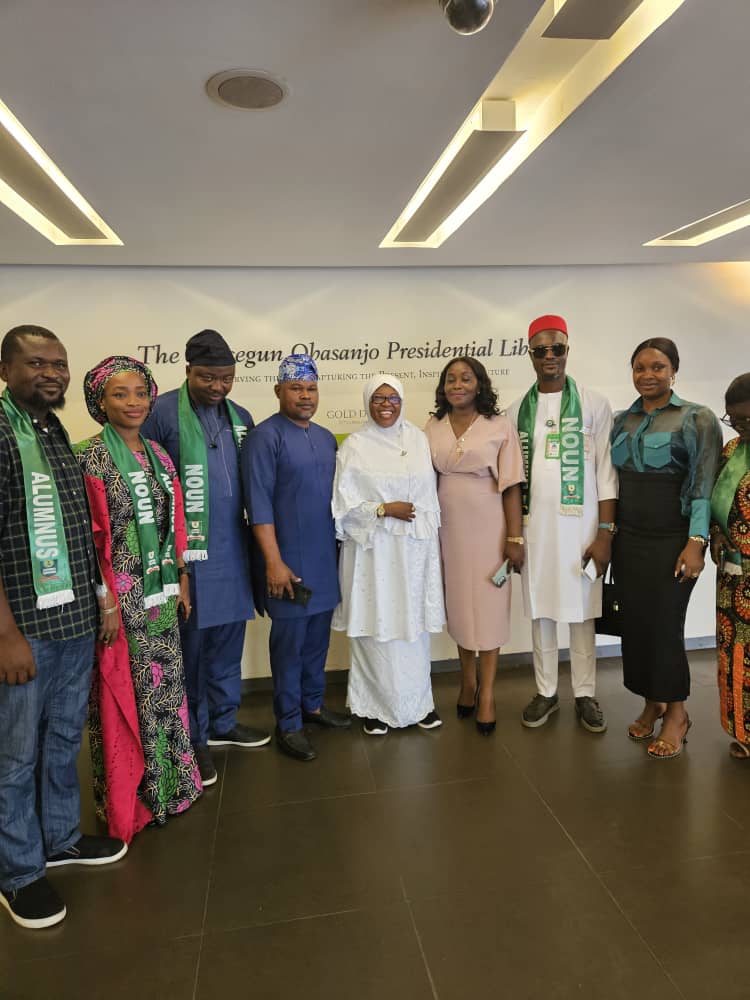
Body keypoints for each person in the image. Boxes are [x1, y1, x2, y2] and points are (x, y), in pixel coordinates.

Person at [0, 326, 126, 932]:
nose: (51, 373)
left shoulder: (52, 430)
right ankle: (19, 872)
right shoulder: (3, 435)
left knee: (61, 741)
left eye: (59, 363)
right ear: (6, 370)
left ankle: (60, 838)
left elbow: (79, 531)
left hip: (75, 622)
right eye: (36, 363)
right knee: (13, 757)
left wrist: (102, 600)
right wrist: (5, 637)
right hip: (23, 632)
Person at [75, 356, 202, 839]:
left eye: (140, 392)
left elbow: (175, 522)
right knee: (129, 694)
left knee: (166, 689)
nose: (134, 402)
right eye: (120, 394)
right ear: (100, 402)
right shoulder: (88, 458)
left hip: (160, 596)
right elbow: (84, 539)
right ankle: (135, 798)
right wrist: (104, 600)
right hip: (119, 602)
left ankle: (174, 786)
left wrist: (183, 577)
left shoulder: (160, 456)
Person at [142, 329, 269, 787]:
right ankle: (194, 736)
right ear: (188, 371)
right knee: (191, 651)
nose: (218, 387)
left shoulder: (241, 417)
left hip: (234, 551)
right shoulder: (160, 413)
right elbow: (148, 481)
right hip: (189, 557)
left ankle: (223, 722)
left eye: (226, 378)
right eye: (208, 377)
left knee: (228, 645)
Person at [611, 337, 722, 758]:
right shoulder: (621, 421)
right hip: (628, 538)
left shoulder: (697, 418)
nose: (648, 375)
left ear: (674, 371)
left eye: (657, 367)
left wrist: (696, 542)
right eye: (640, 367)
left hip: (672, 539)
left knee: (664, 625)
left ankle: (677, 714)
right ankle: (652, 702)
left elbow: (703, 485)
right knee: (637, 624)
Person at [508, 315, 617, 734]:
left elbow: (606, 473)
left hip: (582, 530)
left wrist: (605, 534)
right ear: (530, 355)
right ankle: (546, 690)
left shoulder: (594, 403)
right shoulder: (515, 411)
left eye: (557, 348)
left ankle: (585, 693)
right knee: (541, 611)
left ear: (567, 350)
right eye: (541, 350)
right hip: (535, 531)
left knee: (583, 613)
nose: (549, 356)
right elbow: (511, 482)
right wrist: (513, 535)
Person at [242, 354, 349, 761]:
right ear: (278, 391)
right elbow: (258, 505)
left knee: (317, 641)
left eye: (311, 388)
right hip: (286, 562)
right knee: (289, 646)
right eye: (296, 388)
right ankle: (288, 723)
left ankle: (313, 706)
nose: (305, 396)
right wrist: (273, 562)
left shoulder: (325, 437)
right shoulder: (265, 437)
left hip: (324, 559)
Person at [333, 375, 445, 735]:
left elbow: (429, 498)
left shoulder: (418, 440)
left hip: (413, 553)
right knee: (375, 625)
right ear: (368, 403)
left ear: (402, 401)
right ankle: (374, 708)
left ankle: (419, 705)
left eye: (393, 398)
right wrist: (383, 509)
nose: (386, 405)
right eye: (379, 398)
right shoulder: (354, 446)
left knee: (412, 630)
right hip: (372, 554)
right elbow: (342, 507)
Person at [425, 358, 524, 735]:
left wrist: (514, 538)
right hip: (447, 529)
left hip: (490, 527)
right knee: (460, 607)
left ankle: (488, 694)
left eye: (465, 378)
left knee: (489, 607)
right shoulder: (432, 426)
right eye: (450, 379)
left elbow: (512, 486)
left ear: (479, 384)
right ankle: (467, 681)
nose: (457, 385)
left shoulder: (499, 425)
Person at [709, 373, 750, 759]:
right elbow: (715, 502)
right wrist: (715, 534)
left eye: (746, 420)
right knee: (734, 651)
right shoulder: (732, 450)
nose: (739, 428)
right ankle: (743, 732)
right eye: (733, 420)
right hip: (733, 578)